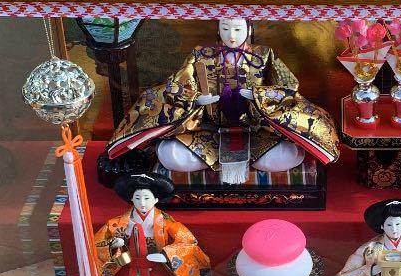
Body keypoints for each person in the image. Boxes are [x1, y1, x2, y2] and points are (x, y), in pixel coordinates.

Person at [105, 17, 339, 185]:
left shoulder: (264, 54)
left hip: (257, 130)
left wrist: (259, 95)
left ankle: (249, 161)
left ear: (249, 28)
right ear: (218, 29)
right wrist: (197, 99)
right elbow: (175, 86)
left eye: (237, 29)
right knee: (170, 155)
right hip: (209, 130)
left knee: (286, 155)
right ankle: (226, 162)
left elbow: (289, 87)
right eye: (225, 28)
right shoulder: (200, 54)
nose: (231, 36)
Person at [94, 173, 209, 276]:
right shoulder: (116, 224)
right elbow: (98, 244)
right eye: (137, 198)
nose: (142, 203)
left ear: (156, 199)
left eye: (147, 198)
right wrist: (114, 245)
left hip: (157, 268)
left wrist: (167, 254)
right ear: (131, 199)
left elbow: (188, 241)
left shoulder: (166, 222)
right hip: (128, 268)